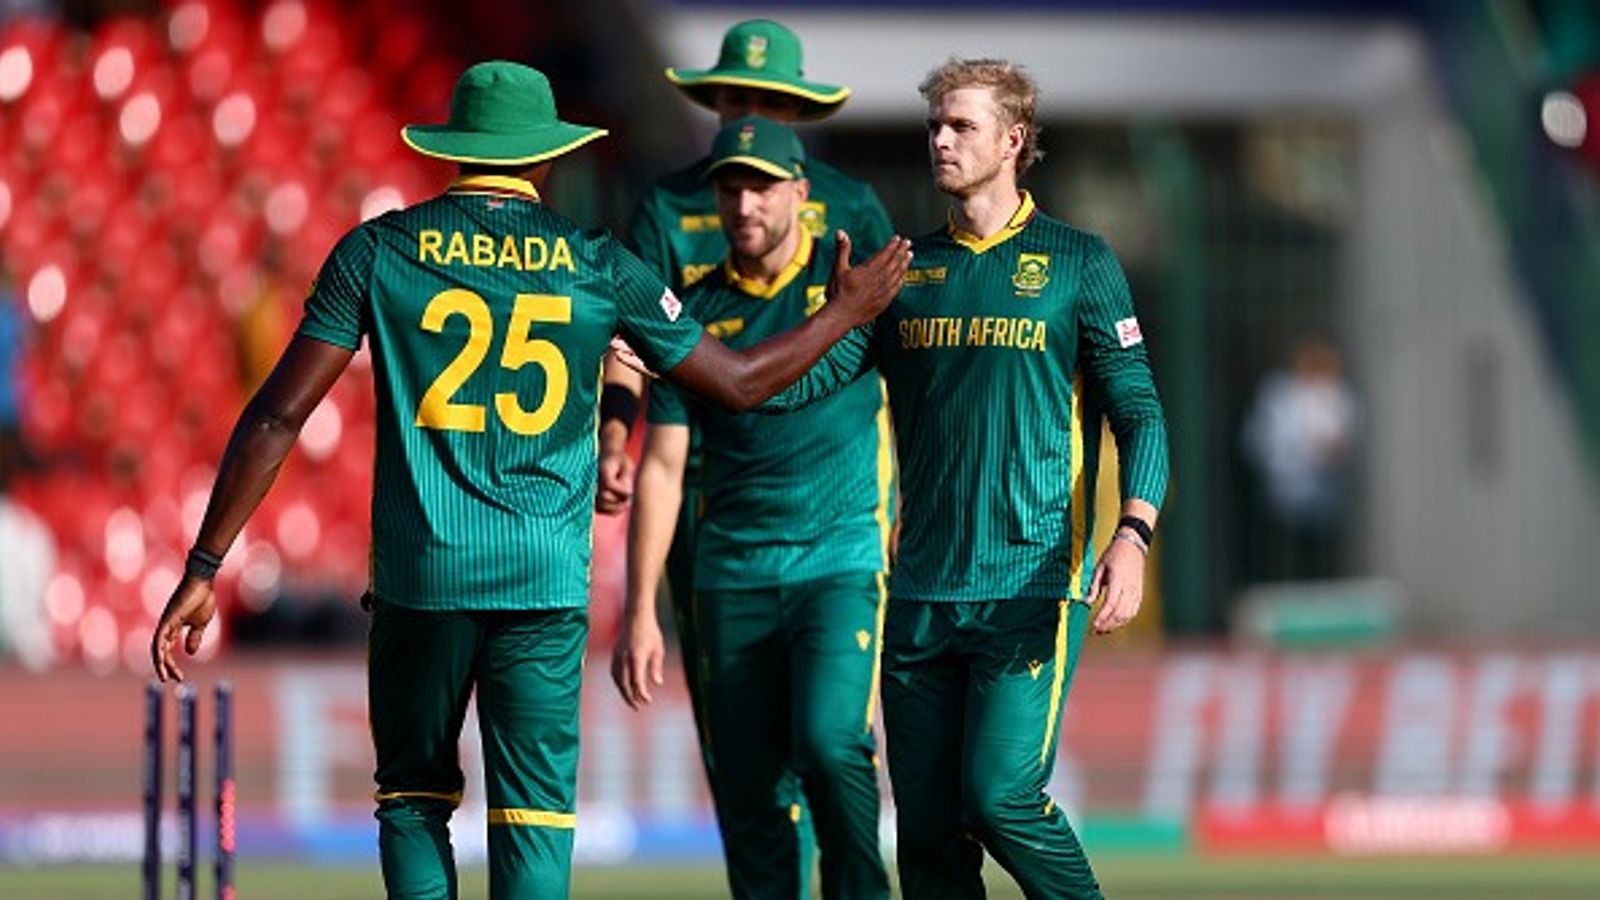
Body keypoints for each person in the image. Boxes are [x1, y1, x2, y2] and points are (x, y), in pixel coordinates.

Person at [148, 61, 910, 900]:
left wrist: (205, 565)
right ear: (546, 160)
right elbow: (736, 382)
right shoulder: (597, 263)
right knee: (535, 818)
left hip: (421, 579)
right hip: (543, 585)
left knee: (411, 804)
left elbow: (276, 417)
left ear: (453, 152)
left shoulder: (379, 249)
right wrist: (844, 312)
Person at [764, 59, 1169, 898]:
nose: (941, 141)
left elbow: (1143, 417)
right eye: (935, 127)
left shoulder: (1078, 264)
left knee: (999, 797)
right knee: (929, 847)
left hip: (1026, 586)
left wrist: (1131, 536)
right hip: (917, 597)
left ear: (1013, 141)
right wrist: (681, 359)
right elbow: (796, 382)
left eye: (962, 127)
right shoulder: (903, 273)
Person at [596, 18, 896, 886]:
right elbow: (633, 350)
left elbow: (889, 362)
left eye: (770, 104)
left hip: (837, 520)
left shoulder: (853, 205)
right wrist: (618, 433)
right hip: (709, 509)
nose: (749, 113)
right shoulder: (665, 209)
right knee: (746, 774)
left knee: (831, 740)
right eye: (737, 101)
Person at [1241, 333, 1358, 581]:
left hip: (1326, 498)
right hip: (1283, 493)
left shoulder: (1338, 395)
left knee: (1322, 559)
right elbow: (1260, 440)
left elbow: (1347, 439)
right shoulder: (1278, 393)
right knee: (1285, 560)